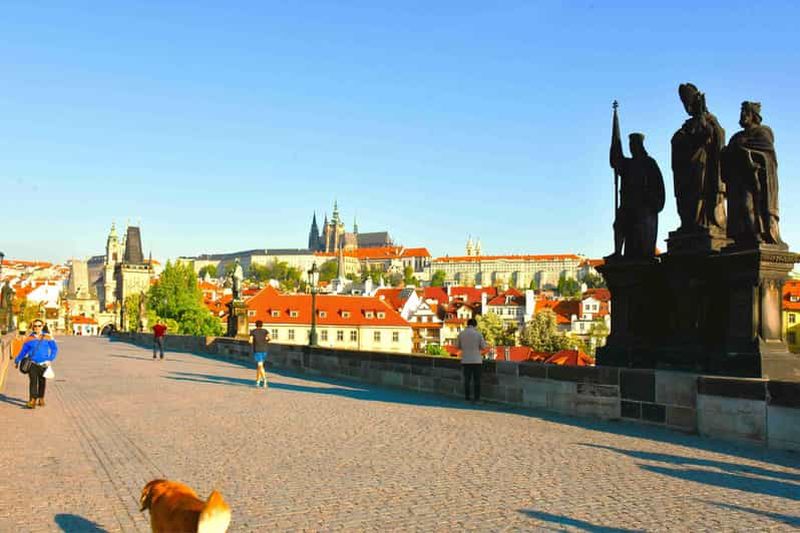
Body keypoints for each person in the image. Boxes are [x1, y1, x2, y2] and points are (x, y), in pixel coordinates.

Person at [723, 101, 784, 247]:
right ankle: (742, 238)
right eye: (741, 112)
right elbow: (727, 153)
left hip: (754, 179)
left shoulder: (763, 132)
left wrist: (741, 149)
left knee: (747, 205)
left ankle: (757, 234)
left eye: (746, 113)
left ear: (754, 116)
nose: (743, 115)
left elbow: (765, 150)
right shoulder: (736, 136)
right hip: (737, 179)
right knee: (738, 208)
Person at [671, 83, 726, 232]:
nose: (686, 107)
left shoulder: (710, 120)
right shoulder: (685, 127)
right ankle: (689, 225)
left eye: (687, 102)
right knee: (686, 198)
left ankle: (702, 222)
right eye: (684, 103)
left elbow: (715, 136)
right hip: (686, 170)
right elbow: (680, 140)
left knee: (699, 194)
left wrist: (701, 119)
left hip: (702, 167)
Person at [610, 132, 666, 258]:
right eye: (630, 145)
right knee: (618, 224)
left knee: (639, 236)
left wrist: (650, 199)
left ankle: (640, 255)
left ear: (640, 146)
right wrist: (616, 141)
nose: (631, 148)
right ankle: (618, 252)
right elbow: (616, 161)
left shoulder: (649, 163)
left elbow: (659, 189)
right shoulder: (628, 164)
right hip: (628, 206)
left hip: (644, 208)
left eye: (634, 145)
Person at [14, 319, 58, 409]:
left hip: (44, 363)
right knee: (33, 381)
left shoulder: (47, 337)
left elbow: (54, 349)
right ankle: (32, 400)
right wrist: (17, 360)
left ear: (42, 326)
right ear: (32, 327)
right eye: (35, 326)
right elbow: (23, 351)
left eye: (39, 326)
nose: (37, 328)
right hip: (32, 363)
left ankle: (41, 398)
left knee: (42, 381)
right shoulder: (29, 338)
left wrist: (50, 359)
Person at [456, 318, 489, 403]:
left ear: (467, 324)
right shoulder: (478, 334)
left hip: (465, 360)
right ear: (475, 325)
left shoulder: (461, 334)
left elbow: (457, 346)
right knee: (477, 380)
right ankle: (476, 398)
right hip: (477, 360)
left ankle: (467, 397)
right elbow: (483, 347)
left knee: (467, 380)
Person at [250, 320, 271, 388]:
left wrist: (253, 342)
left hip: (257, 350)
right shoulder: (265, 331)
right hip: (264, 349)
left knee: (260, 366)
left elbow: (250, 341)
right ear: (262, 325)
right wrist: (266, 341)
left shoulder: (253, 331)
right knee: (260, 366)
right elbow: (270, 338)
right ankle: (257, 382)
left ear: (255, 325)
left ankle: (265, 381)